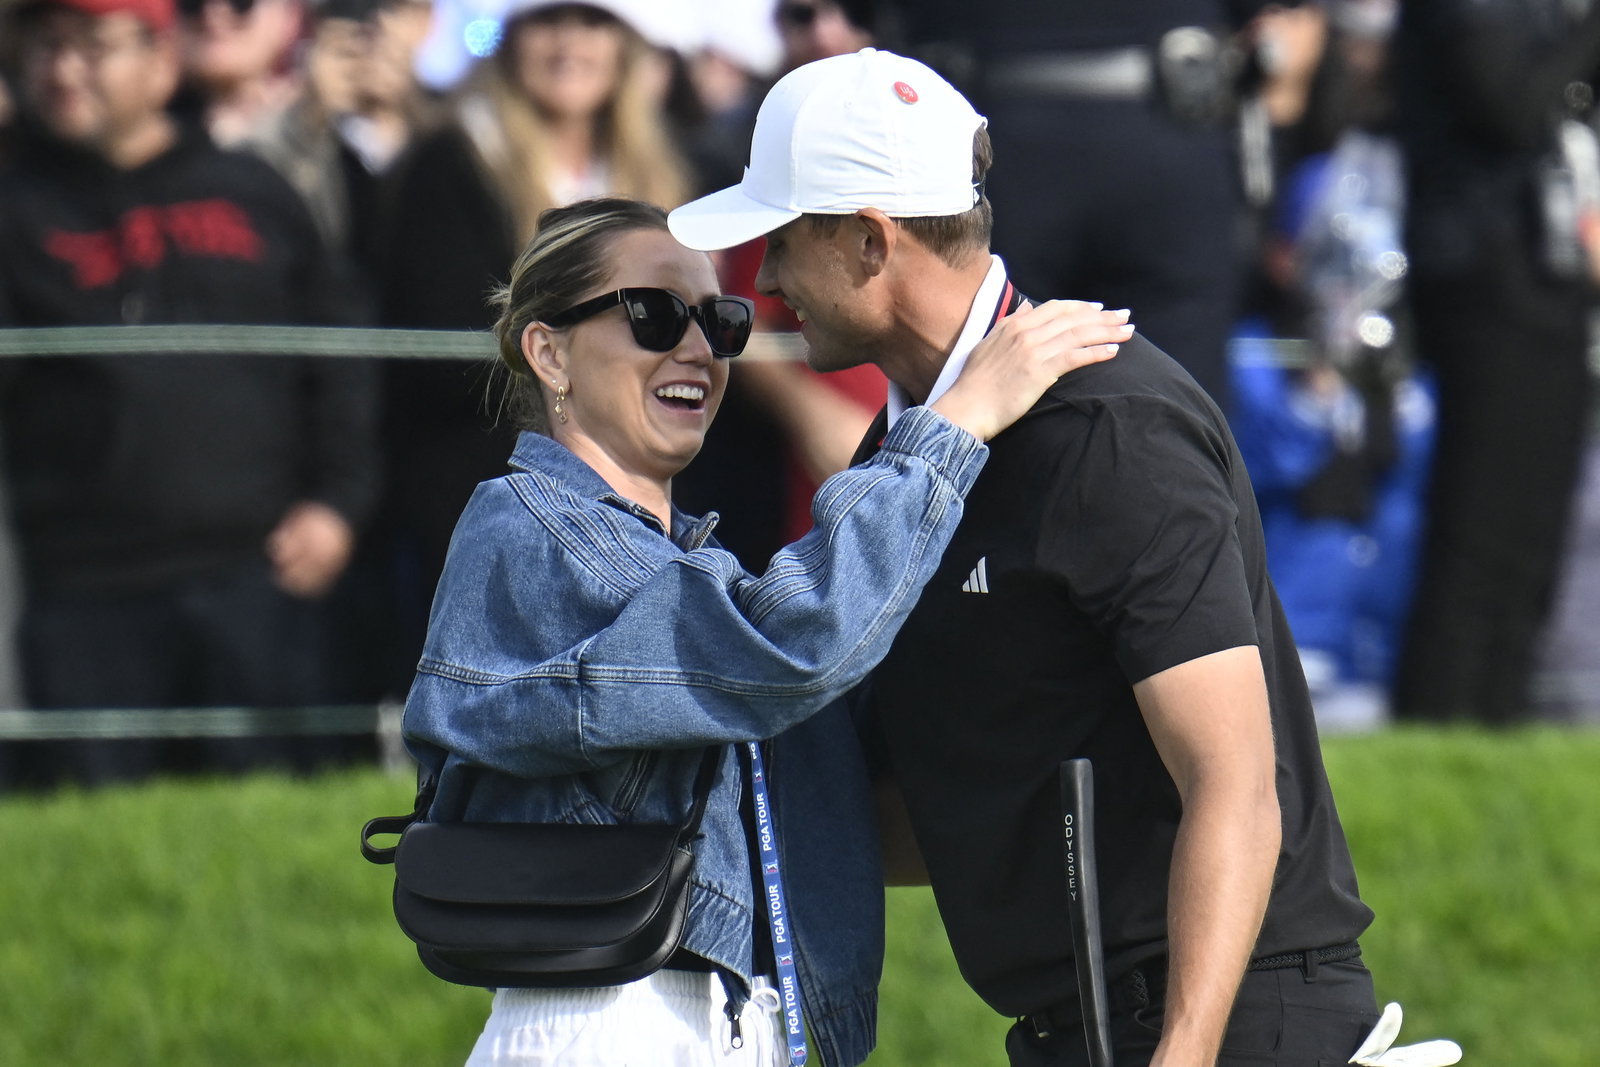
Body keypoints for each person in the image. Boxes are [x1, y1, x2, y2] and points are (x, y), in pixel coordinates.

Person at [669, 48, 1403, 1067]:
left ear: (871, 241)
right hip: (1087, 1026)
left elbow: (1233, 777)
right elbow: (935, 811)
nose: (773, 282)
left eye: (784, 242)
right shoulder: (903, 461)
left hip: (1228, 1026)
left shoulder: (1111, 431)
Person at [399, 196, 1131, 1066]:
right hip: (608, 1028)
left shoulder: (686, 571)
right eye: (655, 313)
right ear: (548, 349)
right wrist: (953, 425)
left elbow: (849, 782)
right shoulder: (530, 528)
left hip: (716, 1023)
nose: (699, 348)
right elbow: (795, 642)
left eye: (718, 319)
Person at [0, 0, 379, 787]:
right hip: (81, 591)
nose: (63, 70)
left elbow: (341, 359)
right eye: (44, 46)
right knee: (96, 849)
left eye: (91, 45)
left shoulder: (253, 191)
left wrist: (338, 503)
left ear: (161, 59)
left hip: (260, 576)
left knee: (269, 831)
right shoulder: (13, 204)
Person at [374, 0, 693, 694]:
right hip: (490, 488)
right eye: (548, 20)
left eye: (592, 21)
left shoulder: (665, 166)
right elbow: (441, 345)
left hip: (643, 485)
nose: (568, 43)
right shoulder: (451, 161)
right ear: (512, 38)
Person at [1390, 0, 1600, 724]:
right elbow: (1509, 105)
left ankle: (1503, 719)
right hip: (1483, 271)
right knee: (1480, 523)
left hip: (1551, 274)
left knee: (1535, 528)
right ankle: (1443, 718)